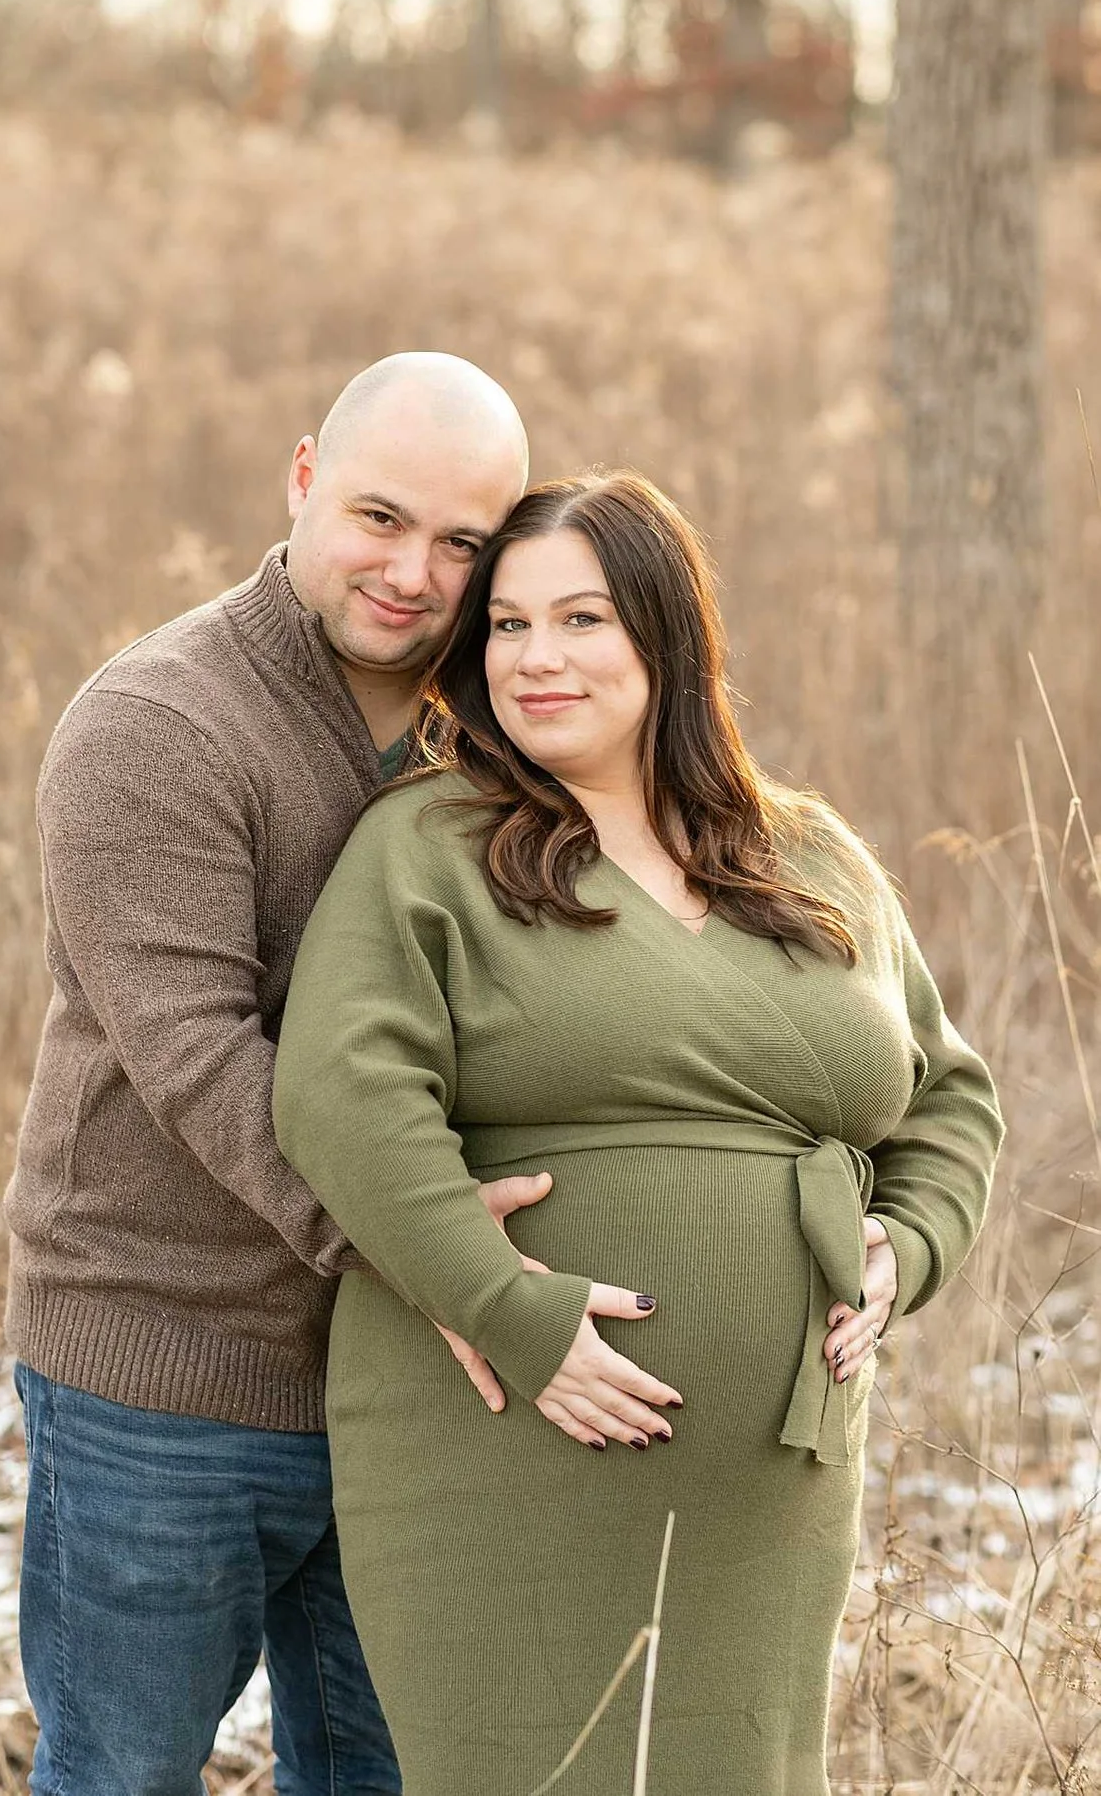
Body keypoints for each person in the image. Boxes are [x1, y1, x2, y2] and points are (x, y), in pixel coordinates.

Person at [274, 471, 1001, 1794]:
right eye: (504, 625)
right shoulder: (430, 846)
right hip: (504, 1450)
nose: (537, 658)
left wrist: (908, 1241)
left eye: (583, 619)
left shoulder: (808, 857)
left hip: (769, 1491)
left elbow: (948, 1095)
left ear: (666, 637)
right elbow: (341, 1092)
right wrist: (506, 1302)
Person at [6, 353, 569, 1796]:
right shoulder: (156, 724)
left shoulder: (509, 724)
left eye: (462, 541)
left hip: (413, 1390)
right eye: (380, 517)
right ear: (304, 473)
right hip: (166, 1367)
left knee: (394, 1774)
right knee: (124, 1774)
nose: (413, 573)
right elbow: (203, 1062)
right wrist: (440, 1256)